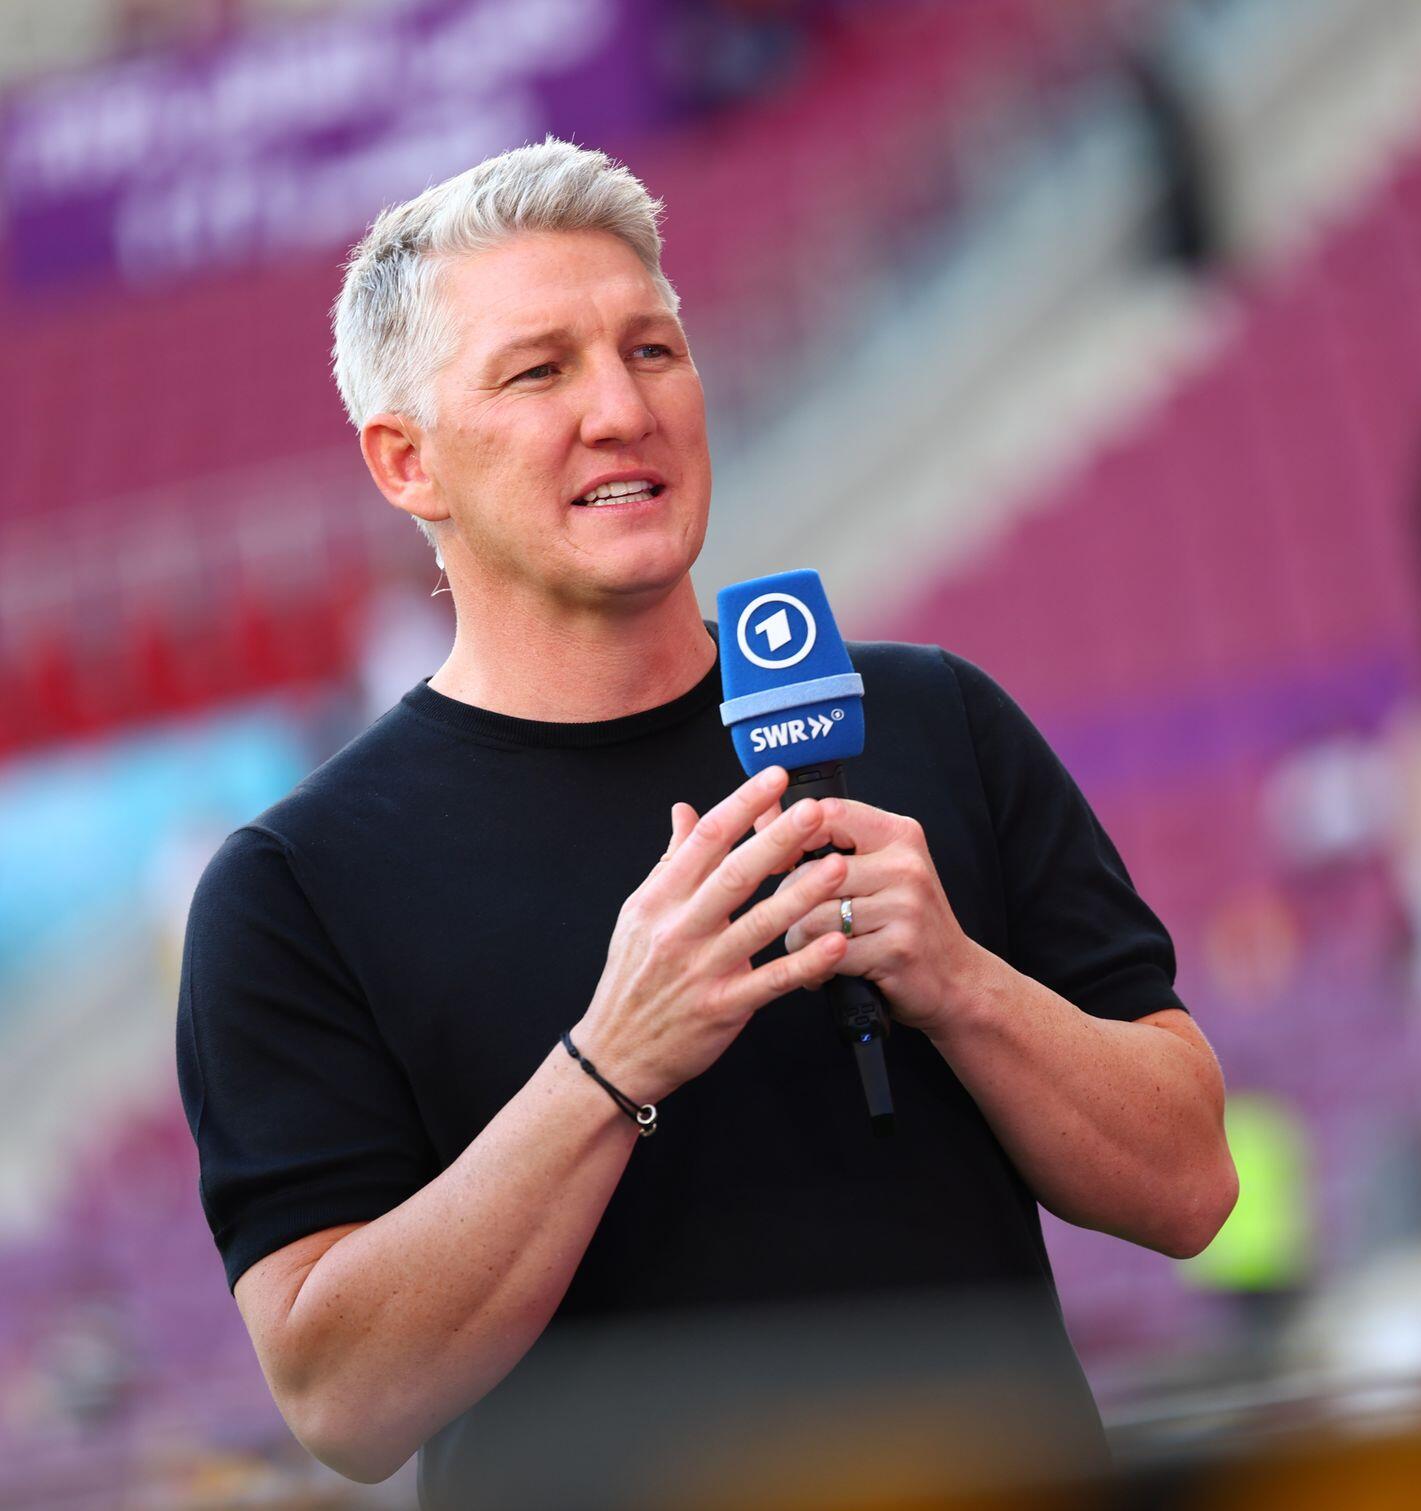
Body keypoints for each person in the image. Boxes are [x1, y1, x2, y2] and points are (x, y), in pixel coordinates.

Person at [175, 139, 1236, 1508]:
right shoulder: (295, 886)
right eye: (539, 372)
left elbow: (1192, 1184)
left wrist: (962, 982)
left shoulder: (933, 718)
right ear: (407, 462)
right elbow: (342, 1400)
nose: (622, 409)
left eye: (653, 351)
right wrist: (610, 1062)